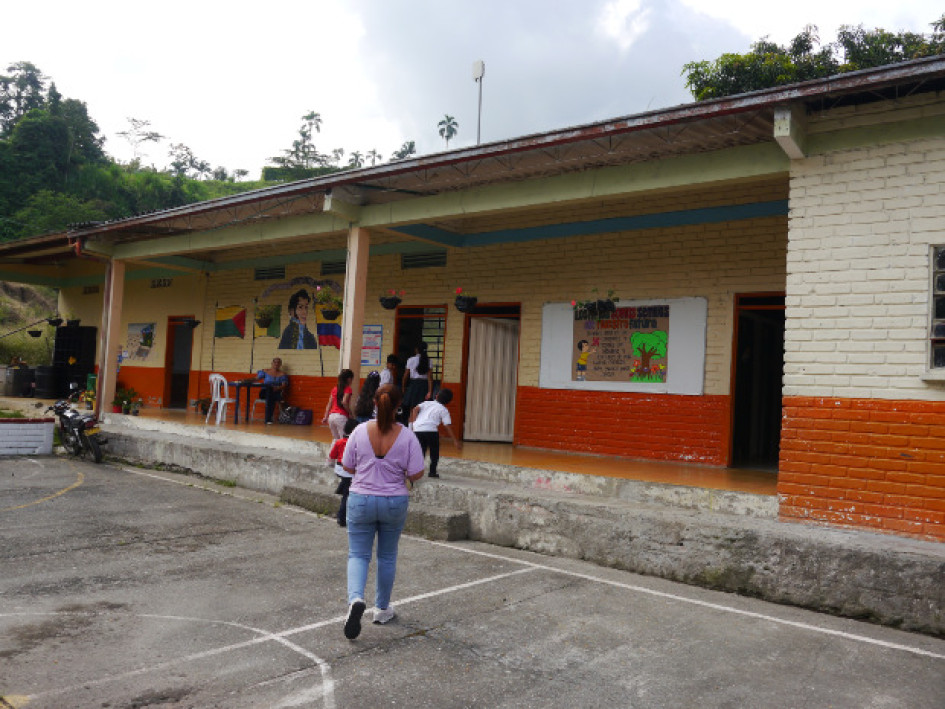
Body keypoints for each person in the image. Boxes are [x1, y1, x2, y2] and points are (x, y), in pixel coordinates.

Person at [341, 384, 424, 639]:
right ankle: (382, 609)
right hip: (393, 501)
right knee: (386, 556)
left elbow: (347, 465)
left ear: (375, 403)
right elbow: (416, 472)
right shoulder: (408, 436)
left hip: (361, 499)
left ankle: (356, 600)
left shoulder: (358, 430)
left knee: (358, 554)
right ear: (399, 405)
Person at [410, 388, 461, 478]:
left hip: (418, 430)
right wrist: (455, 440)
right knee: (434, 451)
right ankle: (432, 472)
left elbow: (415, 409)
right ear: (448, 401)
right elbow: (447, 426)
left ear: (436, 396)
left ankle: (416, 471)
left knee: (421, 451)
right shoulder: (444, 410)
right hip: (431, 431)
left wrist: (413, 424)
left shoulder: (426, 403)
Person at [329, 418, 359, 527]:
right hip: (349, 471)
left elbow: (332, 456)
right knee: (347, 495)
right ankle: (342, 518)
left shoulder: (339, 442)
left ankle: (342, 487)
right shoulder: (355, 443)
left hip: (339, 469)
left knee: (346, 488)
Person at [400, 342, 432, 423]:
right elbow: (430, 378)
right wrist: (430, 391)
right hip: (424, 386)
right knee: (422, 409)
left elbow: (405, 376)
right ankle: (419, 427)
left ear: (416, 350)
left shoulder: (411, 360)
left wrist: (403, 387)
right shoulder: (429, 361)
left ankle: (411, 427)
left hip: (413, 385)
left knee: (412, 408)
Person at [322, 368, 355, 441]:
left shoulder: (334, 389)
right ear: (349, 379)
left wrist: (325, 416)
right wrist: (350, 413)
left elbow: (329, 404)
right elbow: (344, 402)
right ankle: (342, 453)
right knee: (343, 439)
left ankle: (332, 452)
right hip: (341, 417)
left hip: (331, 417)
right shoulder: (348, 389)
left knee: (335, 439)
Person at [255, 357, 288, 424]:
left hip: (275, 391)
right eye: (275, 362)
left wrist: (277, 388)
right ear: (272, 363)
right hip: (264, 392)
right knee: (270, 391)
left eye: (278, 362)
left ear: (280, 364)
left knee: (271, 397)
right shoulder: (265, 371)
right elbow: (256, 379)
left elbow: (284, 385)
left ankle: (268, 419)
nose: (276, 364)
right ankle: (268, 419)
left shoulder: (282, 374)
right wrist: (246, 380)